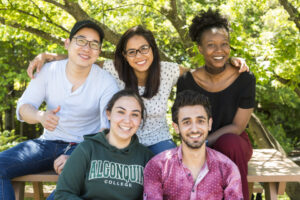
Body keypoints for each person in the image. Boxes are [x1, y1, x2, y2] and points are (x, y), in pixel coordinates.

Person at [27, 26, 248, 155]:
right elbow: (83, 59)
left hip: (158, 141)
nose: (139, 56)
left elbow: (205, 74)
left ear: (152, 48)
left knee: (176, 169)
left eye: (144, 49)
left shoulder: (168, 70)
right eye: (132, 52)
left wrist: (230, 63)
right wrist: (50, 57)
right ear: (124, 56)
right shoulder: (114, 69)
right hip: (122, 142)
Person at [0, 20, 119, 200]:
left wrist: (80, 158)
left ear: (99, 51)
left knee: (73, 179)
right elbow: (24, 108)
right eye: (80, 40)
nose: (87, 48)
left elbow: (107, 131)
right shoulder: (49, 71)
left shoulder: (106, 82)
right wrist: (40, 116)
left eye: (94, 44)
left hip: (84, 146)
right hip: (47, 144)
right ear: (67, 43)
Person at [177, 9, 255, 200]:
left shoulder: (244, 78)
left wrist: (204, 143)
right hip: (197, 143)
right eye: (211, 45)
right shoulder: (187, 81)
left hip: (233, 144)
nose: (219, 51)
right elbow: (185, 121)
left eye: (224, 44)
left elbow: (237, 127)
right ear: (200, 49)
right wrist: (195, 145)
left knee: (230, 142)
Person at [55, 89, 154, 200]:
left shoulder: (147, 159)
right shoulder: (87, 149)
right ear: (108, 114)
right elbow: (63, 194)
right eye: (121, 112)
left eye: (134, 114)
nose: (127, 120)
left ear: (140, 120)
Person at [143, 90, 243, 200]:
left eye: (200, 121)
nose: (194, 129)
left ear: (209, 124)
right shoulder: (157, 166)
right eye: (186, 122)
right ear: (176, 127)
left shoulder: (227, 168)